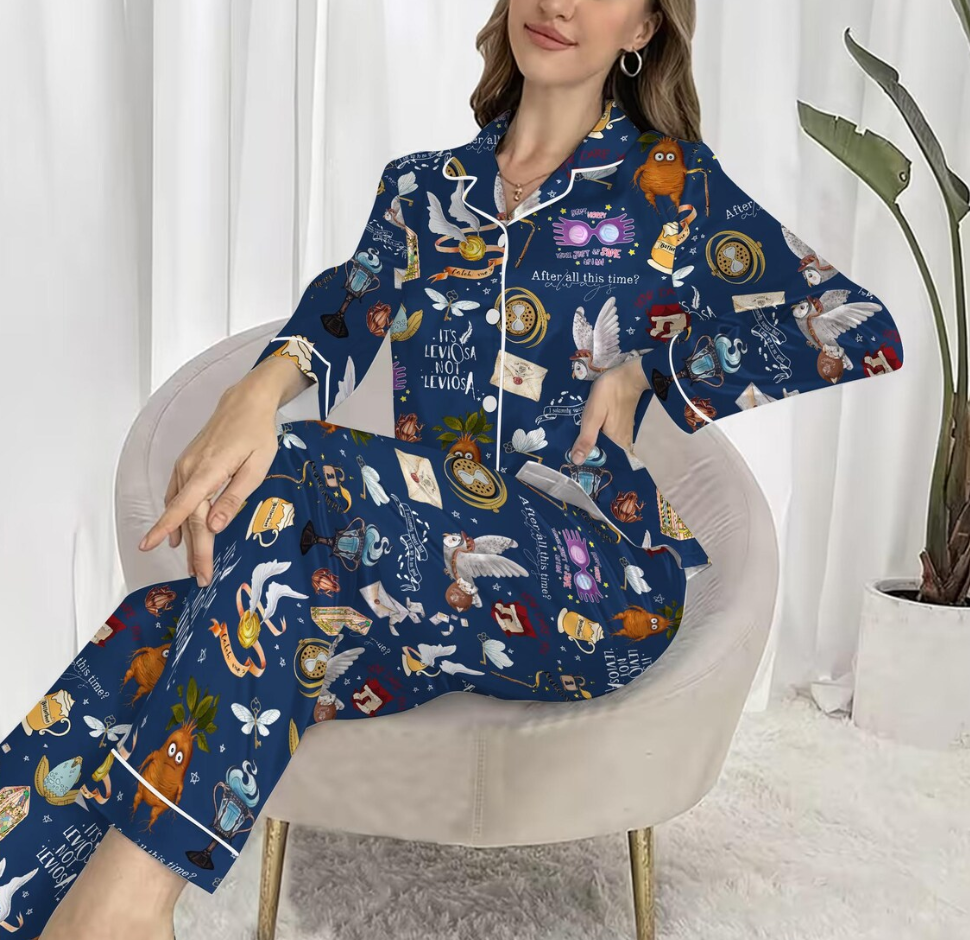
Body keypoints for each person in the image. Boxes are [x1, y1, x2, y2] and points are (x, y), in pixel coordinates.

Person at [0, 1, 905, 937]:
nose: (559, 4)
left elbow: (860, 328)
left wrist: (656, 369)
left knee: (303, 466)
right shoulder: (423, 190)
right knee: (166, 623)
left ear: (642, 29)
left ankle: (127, 910)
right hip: (422, 582)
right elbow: (348, 304)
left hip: (596, 582)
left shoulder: (670, 188)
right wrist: (257, 391)